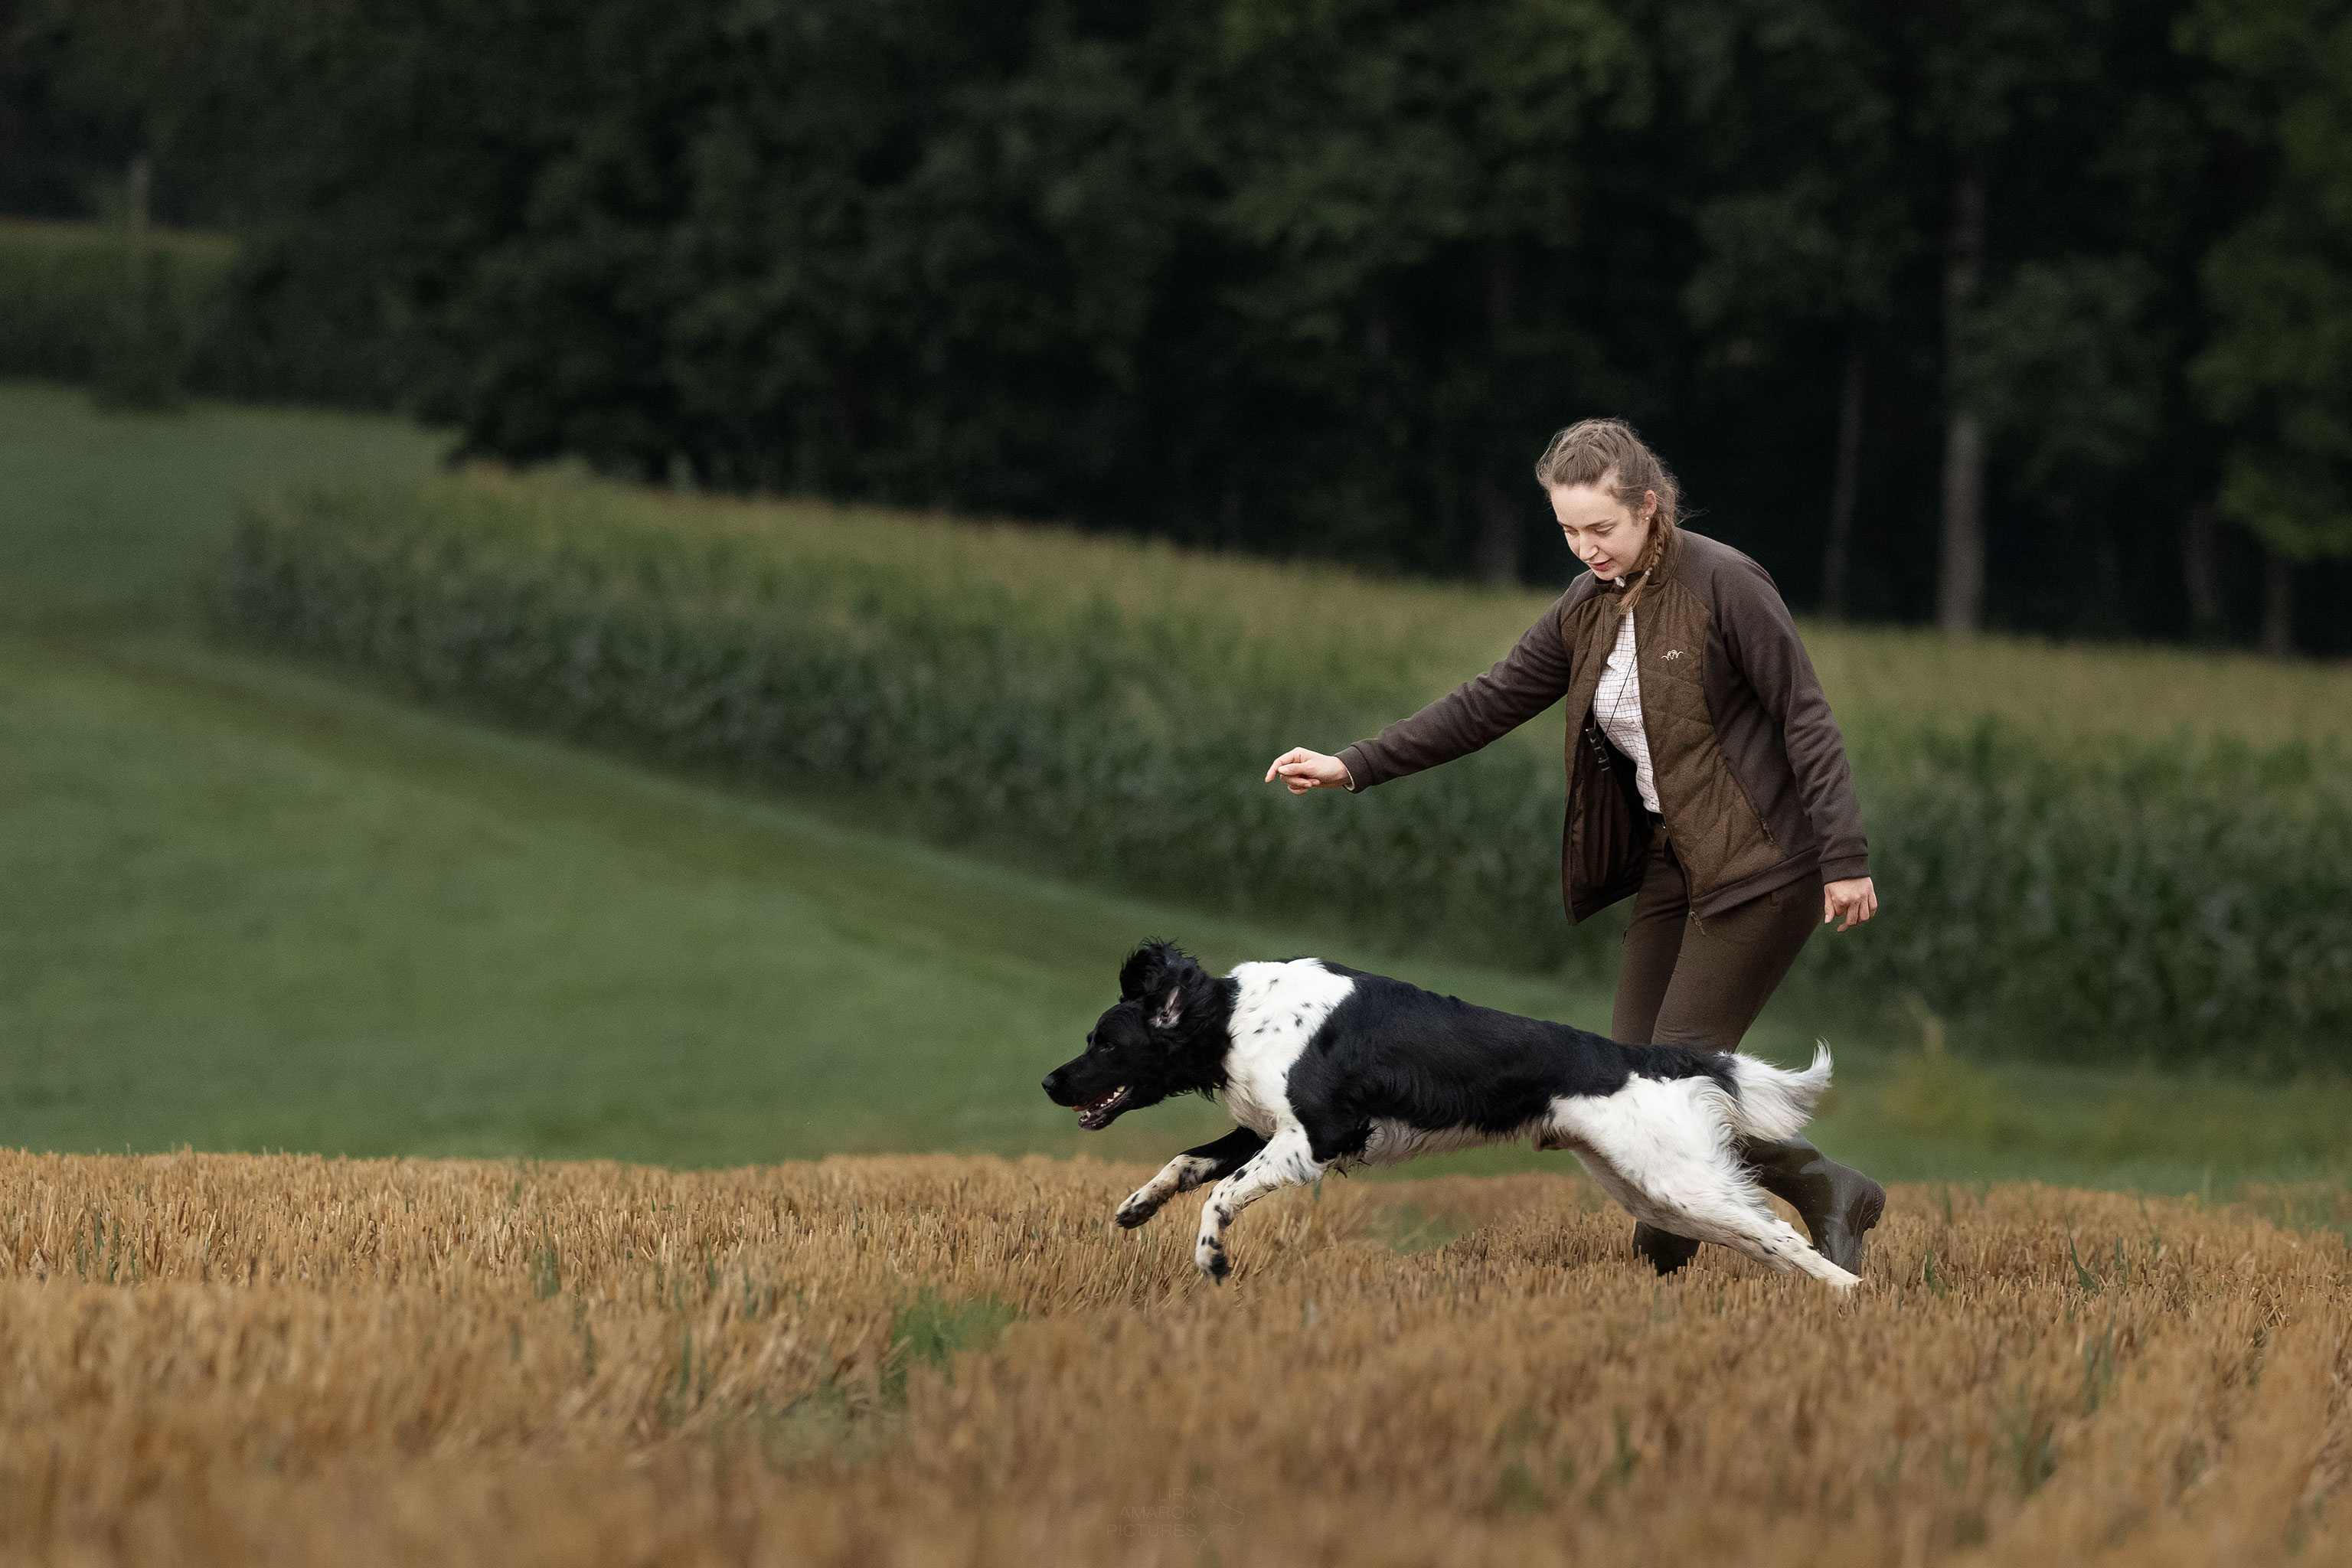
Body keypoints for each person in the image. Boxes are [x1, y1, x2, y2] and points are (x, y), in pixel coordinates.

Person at [1262, 417, 1886, 1277]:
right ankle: (1785, 1194)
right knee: (1621, 1078)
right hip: (1673, 862)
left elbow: (1804, 716)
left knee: (1656, 1095)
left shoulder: (1726, 584)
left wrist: (1845, 857)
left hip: (1762, 870)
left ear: (1648, 507)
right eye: (1569, 530)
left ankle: (1738, 1213)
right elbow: (1488, 701)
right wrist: (1353, 764)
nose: (1586, 547)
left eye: (1603, 528)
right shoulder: (1586, 606)